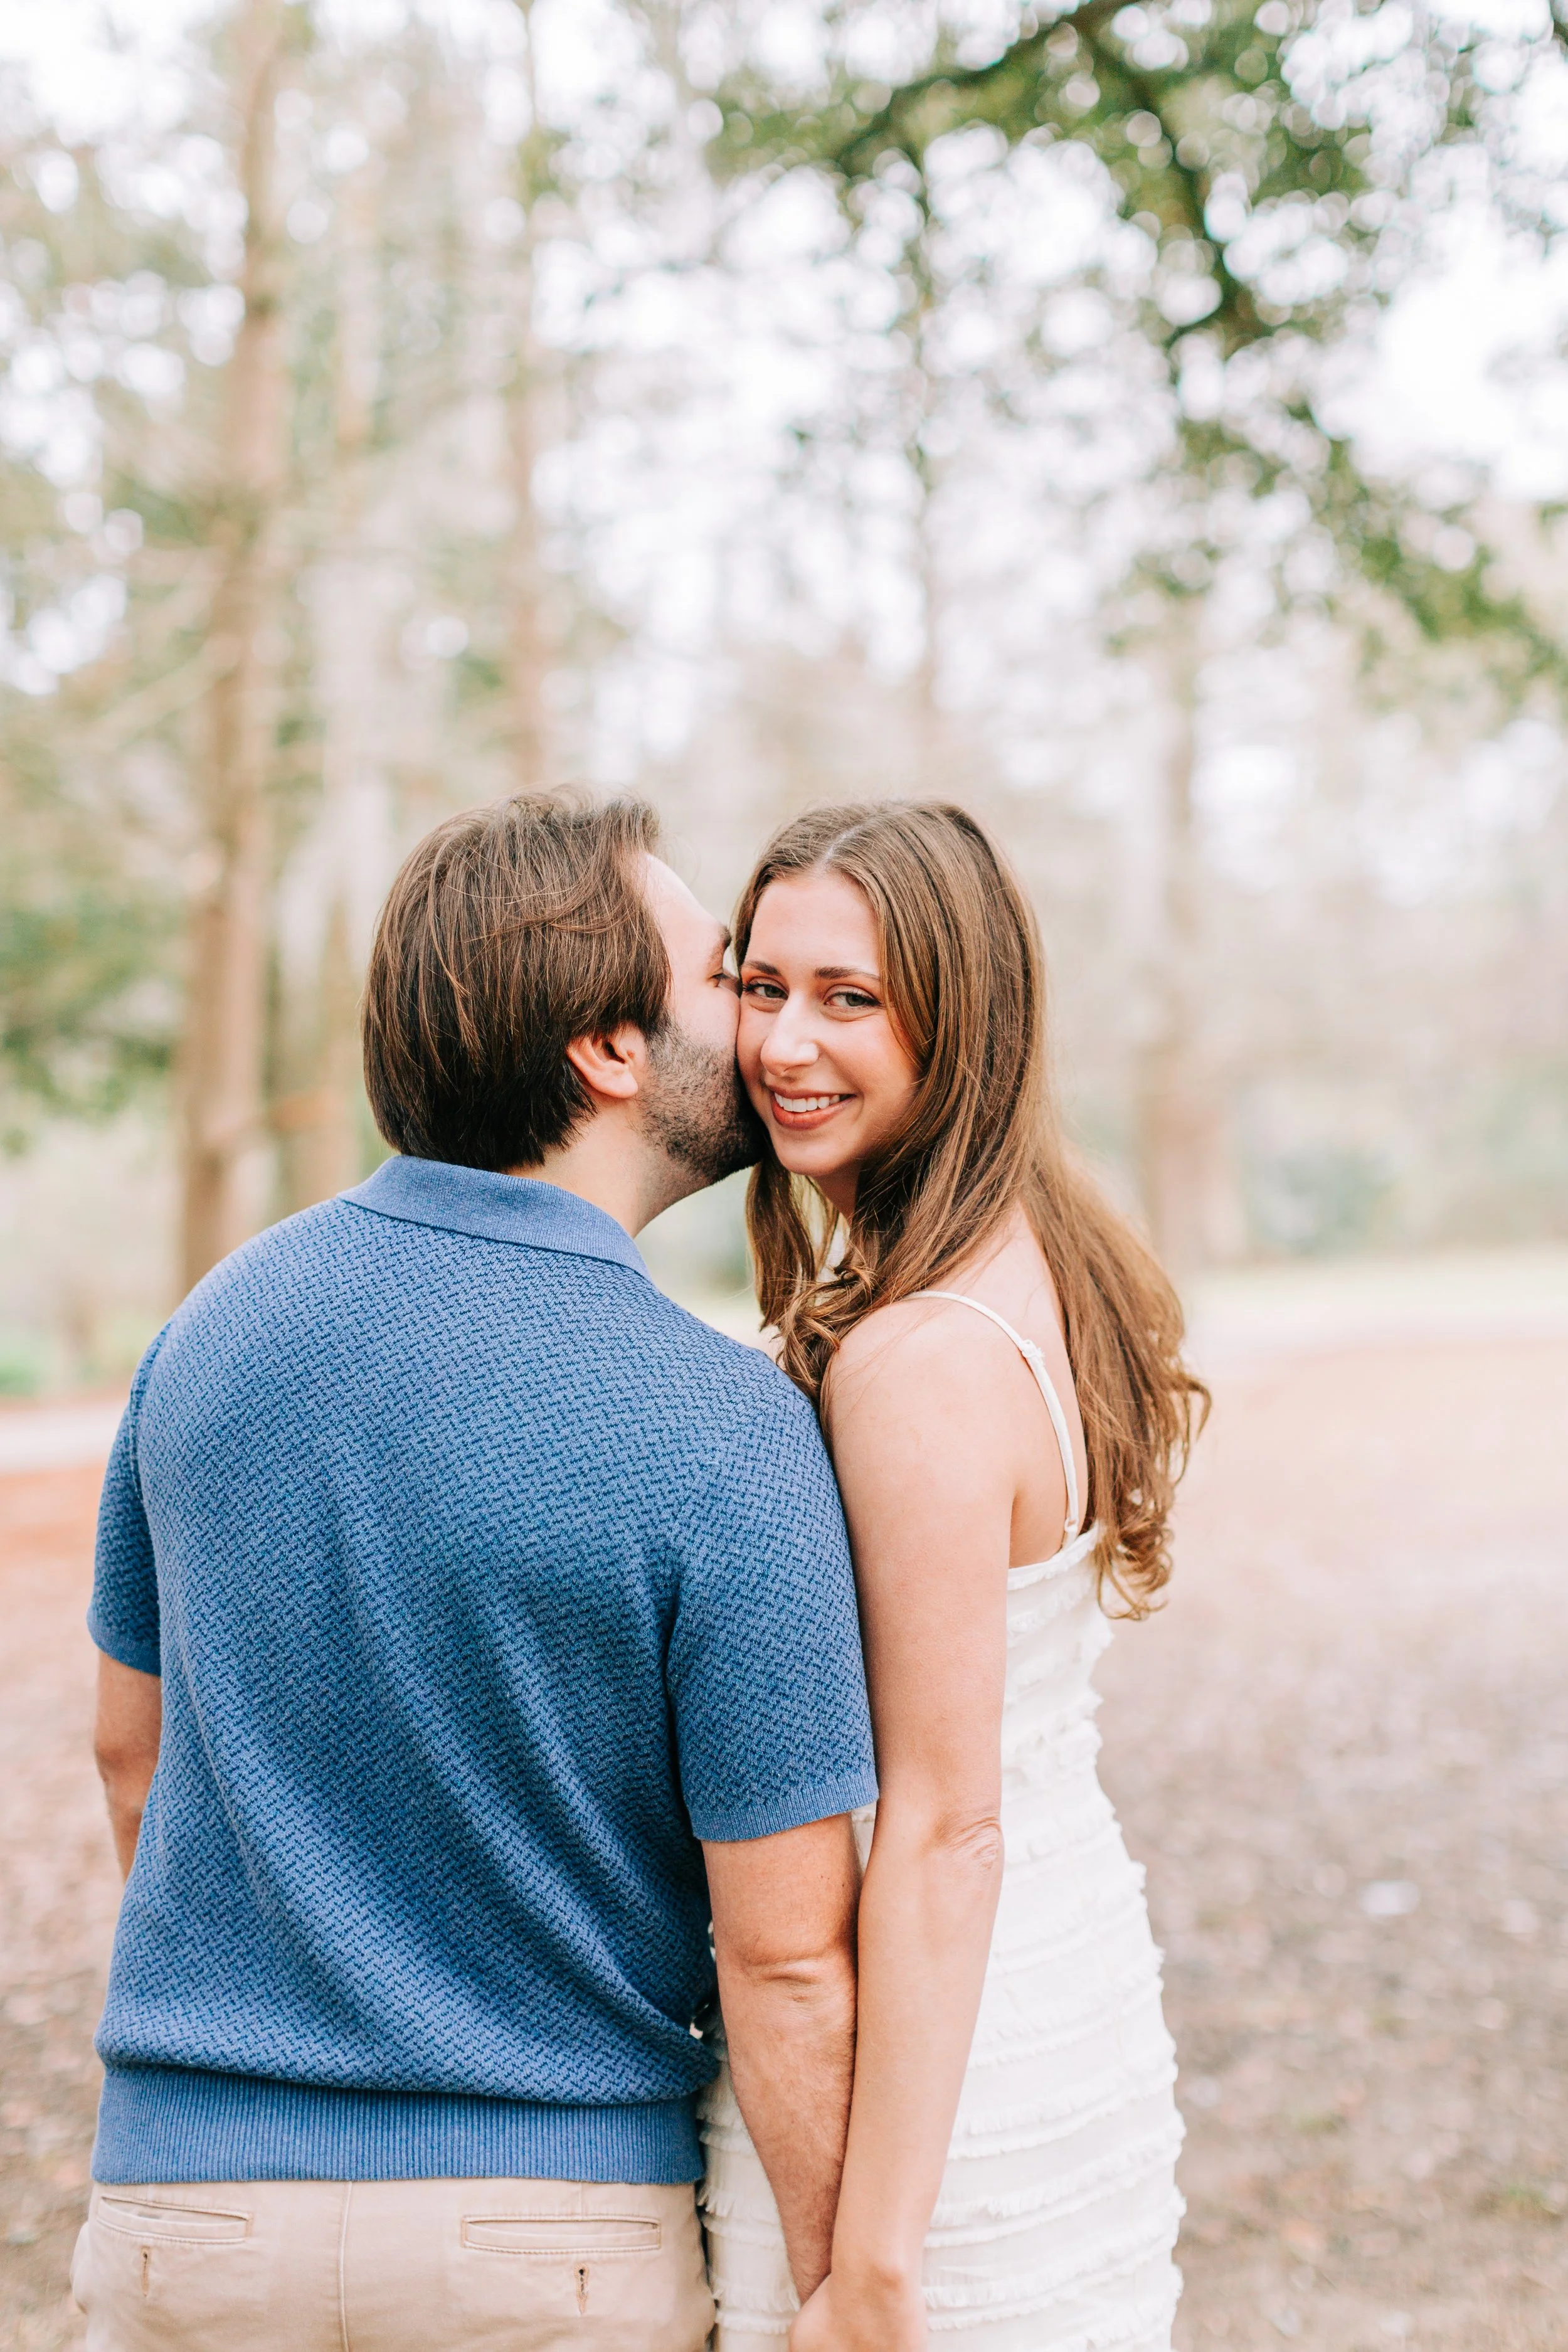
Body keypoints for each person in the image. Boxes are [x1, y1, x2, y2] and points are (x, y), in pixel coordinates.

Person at [78, 793, 877, 2352]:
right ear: (607, 1049)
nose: (765, 1023)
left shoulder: (210, 1337)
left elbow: (131, 1758)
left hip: (187, 2219)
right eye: (724, 975)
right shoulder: (725, 1427)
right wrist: (847, 2288)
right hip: (543, 2237)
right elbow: (783, 1954)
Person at [699, 800, 1208, 2351]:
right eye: (758, 984)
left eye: (848, 999)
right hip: (1046, 1983)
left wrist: (875, 2267)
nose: (784, 1042)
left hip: (937, 2083)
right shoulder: (1025, 1261)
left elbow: (941, 1823)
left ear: (961, 1024)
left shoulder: (916, 1361)